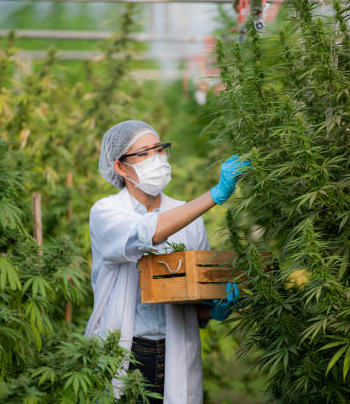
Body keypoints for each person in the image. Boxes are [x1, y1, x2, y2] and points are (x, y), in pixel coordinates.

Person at [84, 120, 250, 404]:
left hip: (174, 352)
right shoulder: (107, 212)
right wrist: (214, 195)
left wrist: (214, 309)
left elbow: (194, 299)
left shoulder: (186, 215)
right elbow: (146, 232)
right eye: (145, 153)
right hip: (125, 353)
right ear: (121, 167)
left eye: (160, 150)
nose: (157, 159)